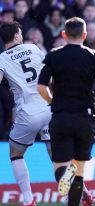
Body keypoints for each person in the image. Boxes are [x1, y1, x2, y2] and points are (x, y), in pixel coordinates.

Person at [37, 17, 95, 206]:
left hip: (61, 116)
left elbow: (41, 86)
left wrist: (52, 101)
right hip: (85, 117)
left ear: (63, 35)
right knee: (79, 172)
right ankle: (73, 182)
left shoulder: (53, 55)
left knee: (60, 166)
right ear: (85, 35)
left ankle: (65, 175)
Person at [0, 21, 50, 206]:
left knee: (15, 154)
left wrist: (15, 86)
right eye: (20, 32)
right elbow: (48, 74)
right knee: (57, 157)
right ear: (15, 36)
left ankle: (29, 200)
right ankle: (76, 193)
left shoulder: (2, 59)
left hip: (28, 113)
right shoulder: (33, 48)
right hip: (48, 107)